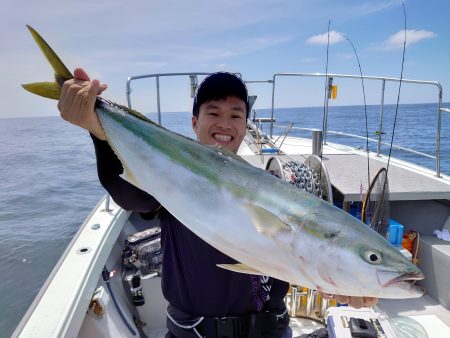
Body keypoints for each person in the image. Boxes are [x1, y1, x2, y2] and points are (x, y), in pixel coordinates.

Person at [58, 69, 378, 337]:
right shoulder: (172, 183)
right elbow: (128, 193)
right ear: (195, 122)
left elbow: (303, 257)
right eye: (213, 112)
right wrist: (98, 132)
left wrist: (347, 281)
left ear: (245, 126)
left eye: (236, 115)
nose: (225, 123)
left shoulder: (275, 191)